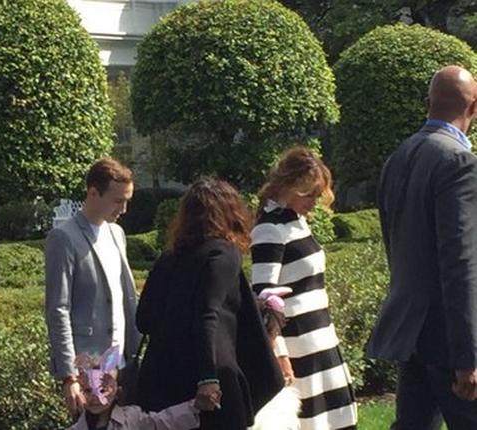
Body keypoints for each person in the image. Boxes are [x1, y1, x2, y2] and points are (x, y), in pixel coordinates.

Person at [367, 65, 477, 429]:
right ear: (473, 107)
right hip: (448, 338)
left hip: (411, 332)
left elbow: (395, 244)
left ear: (428, 103)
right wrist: (468, 355)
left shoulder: (398, 157)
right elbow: (460, 262)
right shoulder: (459, 163)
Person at [137, 176, 283, 429]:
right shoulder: (223, 254)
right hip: (210, 376)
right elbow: (208, 315)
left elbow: (144, 319)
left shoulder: (168, 259)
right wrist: (208, 377)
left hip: (161, 377)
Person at [250, 147, 357, 429]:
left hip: (320, 337)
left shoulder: (296, 222)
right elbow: (263, 298)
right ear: (288, 187)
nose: (314, 202)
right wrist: (280, 355)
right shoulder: (269, 229)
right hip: (298, 345)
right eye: (308, 194)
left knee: (336, 420)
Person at [44, 157, 140, 417]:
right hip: (87, 365)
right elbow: (58, 309)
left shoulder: (116, 234)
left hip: (122, 361)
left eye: (127, 200)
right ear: (93, 193)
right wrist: (68, 376)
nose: (124, 208)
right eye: (118, 200)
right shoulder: (64, 237)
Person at [66, 346, 212, 430]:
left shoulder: (131, 418)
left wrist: (193, 407)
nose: (95, 397)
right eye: (88, 391)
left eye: (103, 390)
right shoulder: (79, 427)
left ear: (117, 392)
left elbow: (161, 421)